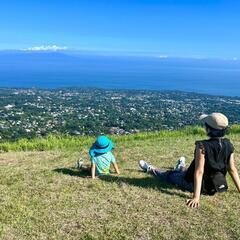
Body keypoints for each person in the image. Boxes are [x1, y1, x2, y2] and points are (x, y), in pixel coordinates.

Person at [139, 113, 240, 208]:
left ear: (208, 129)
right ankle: (180, 167)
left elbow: (199, 172)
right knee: (184, 171)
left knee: (169, 175)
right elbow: (232, 170)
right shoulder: (228, 144)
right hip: (215, 186)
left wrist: (196, 197)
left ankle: (151, 169)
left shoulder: (202, 146)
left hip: (195, 184)